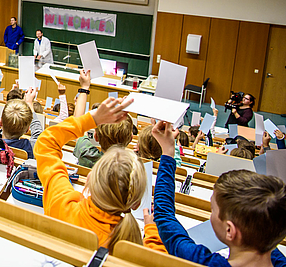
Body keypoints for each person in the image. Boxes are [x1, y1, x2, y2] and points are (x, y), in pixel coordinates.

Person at [34, 96, 166, 252]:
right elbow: (156, 255)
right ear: (136, 204)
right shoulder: (136, 250)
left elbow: (46, 144)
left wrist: (93, 118)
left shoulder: (64, 208)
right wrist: (152, 231)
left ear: (89, 180)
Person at [149, 120, 286, 267]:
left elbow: (164, 215)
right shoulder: (269, 239)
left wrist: (168, 154)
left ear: (230, 230)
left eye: (213, 210)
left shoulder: (202, 262)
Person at [0, 87, 42, 159]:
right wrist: (29, 103)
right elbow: (39, 135)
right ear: (27, 129)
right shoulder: (30, 148)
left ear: (1, 122)